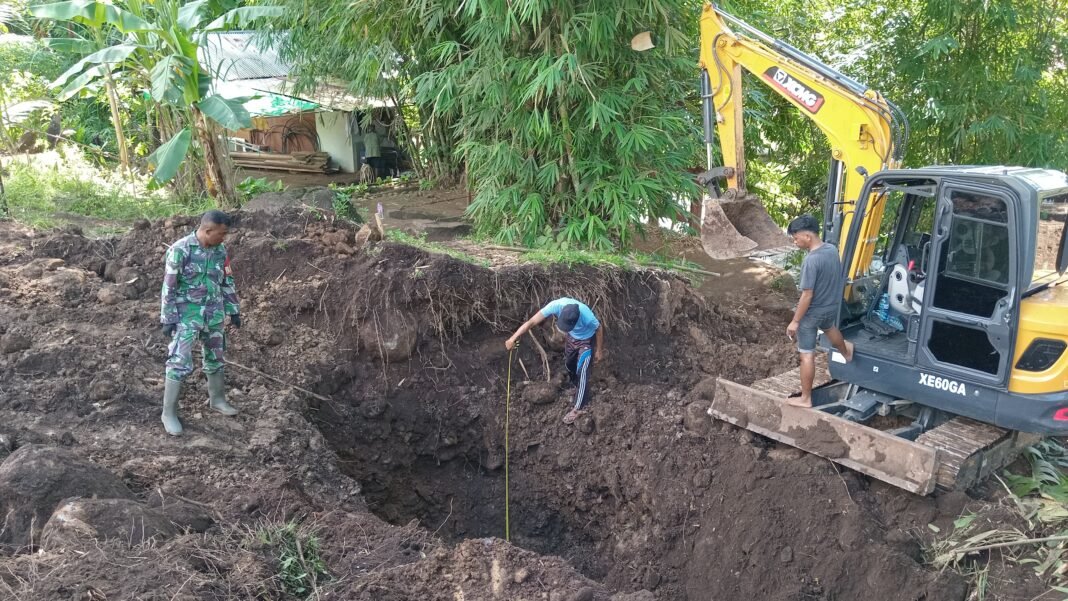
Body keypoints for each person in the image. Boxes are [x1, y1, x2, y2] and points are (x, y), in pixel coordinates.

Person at [159, 210, 242, 435]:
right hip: (187, 316)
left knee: (216, 356)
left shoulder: (220, 251)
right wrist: (168, 318)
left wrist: (233, 310)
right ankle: (169, 413)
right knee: (179, 361)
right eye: (221, 233)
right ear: (207, 230)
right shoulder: (180, 250)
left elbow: (226, 281)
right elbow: (169, 285)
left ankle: (217, 400)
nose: (224, 237)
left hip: (213, 314)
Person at [785, 215, 853, 407]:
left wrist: (795, 321)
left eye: (796, 237)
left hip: (812, 314)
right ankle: (846, 353)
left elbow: (807, 295)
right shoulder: (832, 250)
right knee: (830, 328)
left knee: (806, 355)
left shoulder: (811, 260)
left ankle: (805, 398)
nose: (795, 241)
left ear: (807, 236)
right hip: (830, 307)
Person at [505, 298, 604, 424]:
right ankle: (577, 386)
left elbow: (599, 328)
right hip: (572, 338)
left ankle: (578, 408)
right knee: (569, 365)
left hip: (586, 340)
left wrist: (599, 350)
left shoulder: (587, 316)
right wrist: (513, 338)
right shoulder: (556, 305)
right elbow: (531, 322)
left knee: (582, 370)